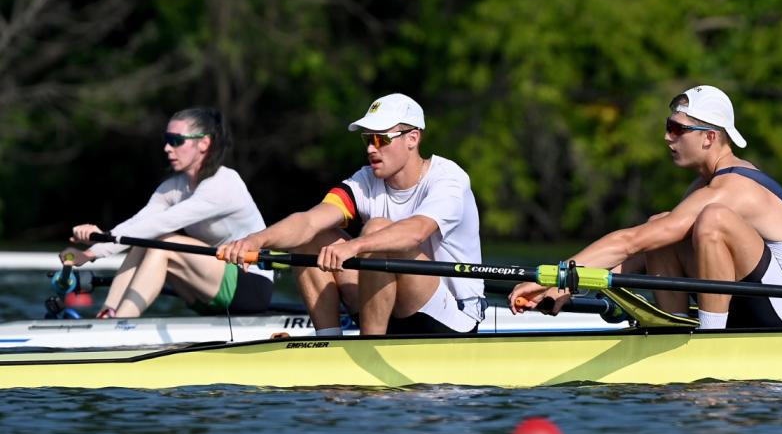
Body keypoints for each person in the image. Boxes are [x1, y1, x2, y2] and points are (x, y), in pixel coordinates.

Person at [510, 85, 782, 329]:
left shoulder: (735, 187)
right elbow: (641, 252)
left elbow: (630, 241)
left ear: (709, 137)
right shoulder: (705, 185)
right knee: (662, 226)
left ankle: (710, 340)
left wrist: (550, 276)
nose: (667, 137)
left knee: (709, 220)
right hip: (754, 300)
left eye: (677, 129)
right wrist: (568, 286)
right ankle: (673, 329)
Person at [218, 93, 484, 336]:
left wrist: (355, 246)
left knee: (377, 230)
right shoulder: (364, 181)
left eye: (380, 139)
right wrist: (255, 240)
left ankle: (369, 346)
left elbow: (416, 232)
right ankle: (329, 342)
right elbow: (308, 221)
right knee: (311, 238)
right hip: (388, 308)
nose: (371, 149)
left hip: (454, 314)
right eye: (367, 139)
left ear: (412, 138)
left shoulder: (448, 179)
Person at [61, 107, 274, 318]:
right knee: (144, 241)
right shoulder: (172, 188)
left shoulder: (224, 184)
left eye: (176, 140)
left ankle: (121, 322)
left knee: (163, 243)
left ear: (204, 143)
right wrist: (91, 251)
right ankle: (107, 314)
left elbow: (162, 223)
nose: (167, 148)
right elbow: (139, 223)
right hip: (206, 288)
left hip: (249, 285)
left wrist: (97, 248)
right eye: (166, 139)